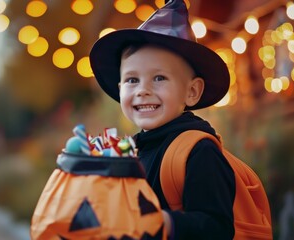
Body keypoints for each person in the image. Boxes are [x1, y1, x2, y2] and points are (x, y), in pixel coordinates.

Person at [89, 0, 235, 239]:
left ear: (192, 91)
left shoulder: (199, 151)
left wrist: (164, 221)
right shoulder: (129, 151)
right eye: (132, 80)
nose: (142, 90)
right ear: (119, 88)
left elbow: (218, 227)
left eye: (159, 78)